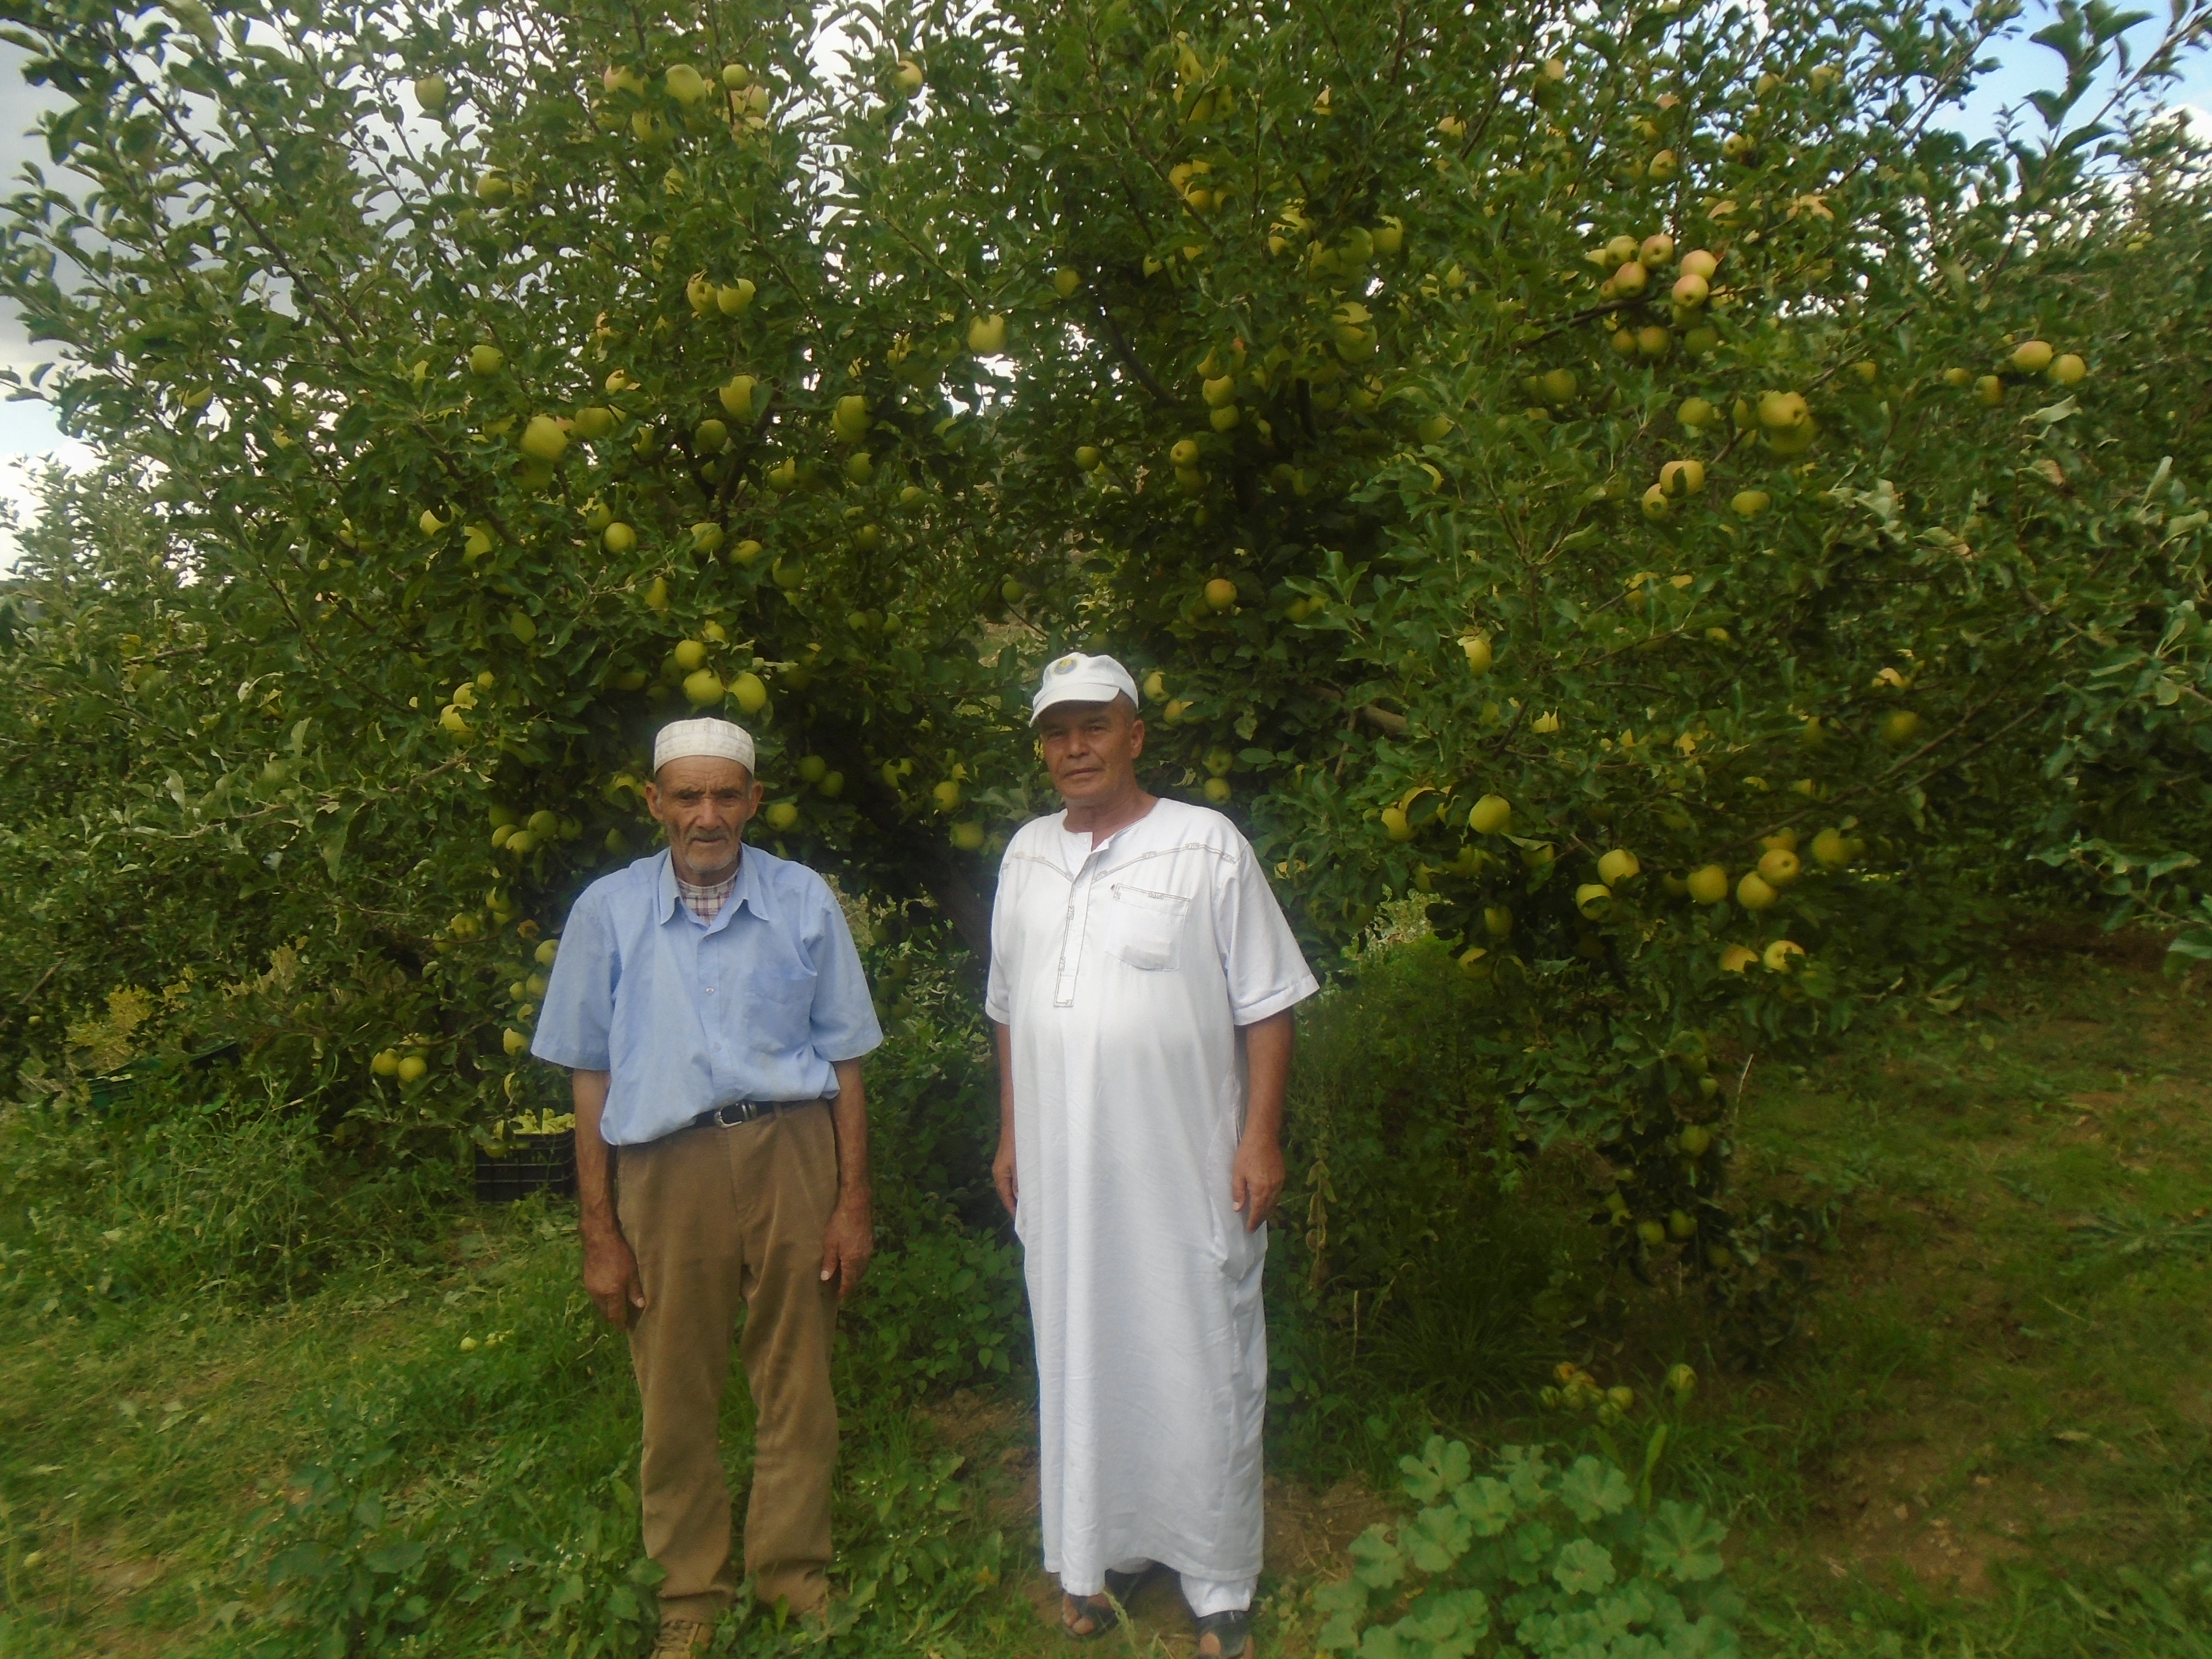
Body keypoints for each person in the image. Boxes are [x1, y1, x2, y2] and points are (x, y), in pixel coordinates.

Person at [985, 653, 1318, 1659]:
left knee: (1200, 1357)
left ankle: (1218, 1583)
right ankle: (1098, 1554)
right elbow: (1006, 1010)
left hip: (1185, 1171)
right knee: (1083, 1352)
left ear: (1135, 734)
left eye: (1094, 726)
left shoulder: (1204, 845)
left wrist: (1259, 1137)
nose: (1073, 748)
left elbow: (1267, 1005)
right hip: (1063, 1170)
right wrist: (1009, 1133)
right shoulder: (1026, 856)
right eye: (1055, 731)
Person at [532, 716, 881, 1659]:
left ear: (754, 802)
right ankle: (689, 1592)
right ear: (654, 804)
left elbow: (846, 1061)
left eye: (726, 795)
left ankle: (791, 1577)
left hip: (790, 1151)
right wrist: (598, 1229)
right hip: (663, 1166)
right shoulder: (605, 913)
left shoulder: (804, 901)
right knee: (674, 1385)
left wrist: (852, 1204)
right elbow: (588, 1077)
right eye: (685, 796)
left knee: (796, 1377)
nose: (706, 814)